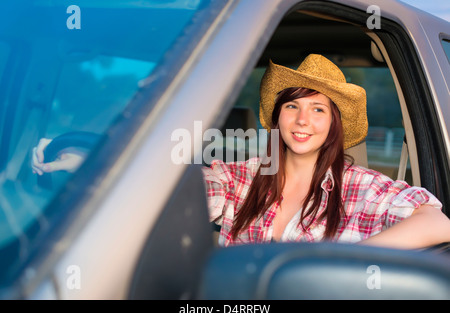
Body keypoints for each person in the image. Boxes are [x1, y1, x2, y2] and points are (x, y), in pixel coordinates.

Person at [32, 54, 450, 249]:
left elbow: (438, 224)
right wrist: (88, 164)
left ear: (334, 124)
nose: (303, 121)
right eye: (293, 106)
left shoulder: (360, 186)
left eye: (318, 109)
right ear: (278, 116)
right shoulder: (244, 175)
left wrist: (354, 259)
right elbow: (176, 187)